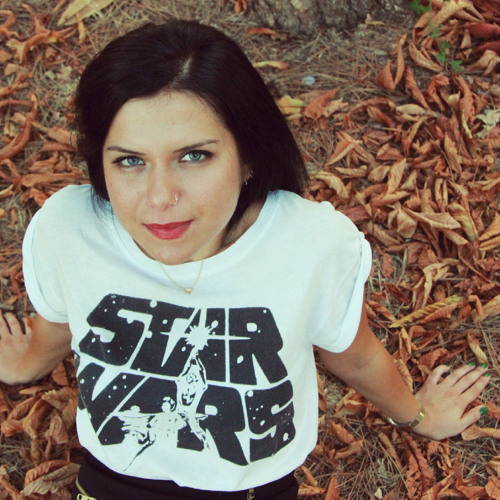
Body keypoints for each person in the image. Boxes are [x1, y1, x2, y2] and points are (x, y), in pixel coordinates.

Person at [0, 19, 491, 500]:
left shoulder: (309, 245)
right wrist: (24, 365)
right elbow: (62, 320)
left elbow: (356, 356)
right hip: (115, 476)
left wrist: (418, 415)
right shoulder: (70, 229)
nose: (160, 197)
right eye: (130, 160)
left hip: (252, 486)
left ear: (248, 156)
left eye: (194, 156)